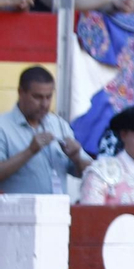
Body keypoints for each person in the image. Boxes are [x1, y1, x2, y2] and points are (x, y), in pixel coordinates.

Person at [0, 67, 91, 195]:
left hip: (59, 211)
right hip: (20, 213)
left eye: (49, 97)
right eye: (37, 97)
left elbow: (91, 174)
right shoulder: (3, 126)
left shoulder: (59, 124)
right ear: (21, 92)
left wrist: (76, 158)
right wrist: (29, 152)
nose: (44, 104)